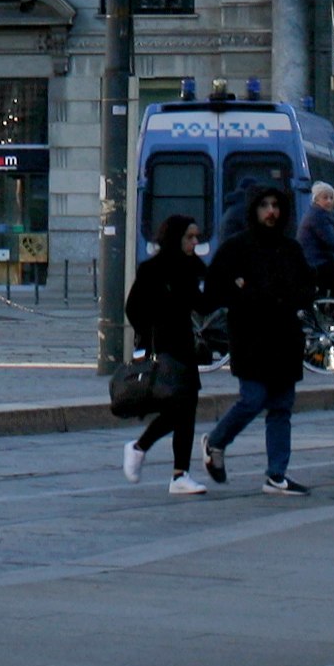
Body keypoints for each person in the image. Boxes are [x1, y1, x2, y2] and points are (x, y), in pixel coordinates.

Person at [196, 185, 318, 495]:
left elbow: (306, 289)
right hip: (251, 336)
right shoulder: (237, 247)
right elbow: (213, 289)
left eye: (276, 205)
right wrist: (243, 294)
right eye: (264, 205)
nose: (271, 211)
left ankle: (276, 474)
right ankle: (217, 440)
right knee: (252, 398)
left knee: (281, 406)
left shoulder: (290, 248)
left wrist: (283, 298)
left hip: (284, 338)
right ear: (254, 210)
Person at [121, 211, 210, 493]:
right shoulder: (154, 269)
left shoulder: (191, 267)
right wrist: (148, 334)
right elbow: (133, 308)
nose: (194, 242)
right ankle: (140, 448)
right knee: (177, 408)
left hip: (183, 345)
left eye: (196, 237)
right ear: (176, 238)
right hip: (163, 346)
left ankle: (178, 474)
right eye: (189, 237)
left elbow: (201, 304)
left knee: (187, 409)